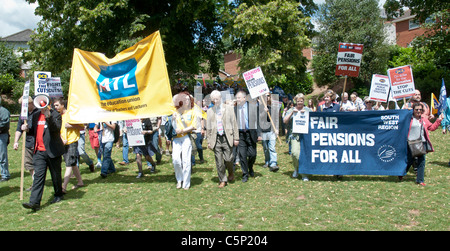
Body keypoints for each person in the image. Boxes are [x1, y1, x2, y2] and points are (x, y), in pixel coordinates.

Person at [22, 96, 65, 211]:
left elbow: (56, 129)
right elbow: (32, 131)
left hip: (52, 150)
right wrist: (26, 128)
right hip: (39, 151)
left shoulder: (55, 114)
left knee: (55, 175)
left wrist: (48, 118)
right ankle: (34, 202)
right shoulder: (35, 115)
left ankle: (58, 194)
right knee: (38, 177)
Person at [401, 103, 443, 186]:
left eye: (420, 109)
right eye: (416, 109)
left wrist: (439, 120)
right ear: (413, 110)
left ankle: (420, 180)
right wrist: (406, 111)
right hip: (410, 143)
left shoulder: (424, 119)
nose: (418, 111)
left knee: (421, 162)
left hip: (421, 143)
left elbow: (432, 127)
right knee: (409, 160)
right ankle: (401, 173)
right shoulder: (409, 118)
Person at [206, 90, 239, 188]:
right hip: (216, 139)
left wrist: (236, 138)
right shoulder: (210, 111)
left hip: (227, 137)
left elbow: (234, 124)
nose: (215, 101)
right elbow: (208, 127)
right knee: (219, 161)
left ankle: (231, 172)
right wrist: (209, 141)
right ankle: (222, 180)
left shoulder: (228, 109)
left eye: (217, 99)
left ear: (221, 98)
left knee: (228, 159)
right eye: (213, 99)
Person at [53, 98, 84, 193]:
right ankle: (80, 181)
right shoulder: (57, 116)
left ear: (63, 105)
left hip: (72, 141)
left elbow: (82, 126)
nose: (55, 107)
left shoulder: (71, 114)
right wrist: (62, 139)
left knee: (69, 163)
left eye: (57, 105)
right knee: (72, 163)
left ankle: (64, 187)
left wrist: (71, 126)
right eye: (54, 106)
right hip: (63, 142)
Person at [172, 92, 199, 190]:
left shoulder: (192, 112)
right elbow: (171, 126)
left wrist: (183, 130)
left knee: (186, 160)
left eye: (188, 99)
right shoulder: (176, 111)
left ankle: (186, 183)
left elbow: (193, 126)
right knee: (176, 160)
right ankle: (179, 179)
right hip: (176, 139)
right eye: (185, 99)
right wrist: (172, 119)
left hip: (186, 137)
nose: (186, 101)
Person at [283, 93, 311, 181]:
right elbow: (284, 121)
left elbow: (315, 120)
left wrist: (306, 114)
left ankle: (304, 174)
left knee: (304, 155)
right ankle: (296, 168)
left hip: (306, 136)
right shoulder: (291, 109)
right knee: (295, 153)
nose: (300, 103)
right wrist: (292, 113)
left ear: (304, 101)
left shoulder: (308, 110)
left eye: (301, 101)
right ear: (295, 101)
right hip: (294, 136)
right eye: (298, 101)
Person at [235, 90, 261, 183]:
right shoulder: (235, 109)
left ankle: (250, 167)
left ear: (244, 98)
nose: (237, 99)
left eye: (238, 98)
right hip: (240, 134)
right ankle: (245, 174)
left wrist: (259, 134)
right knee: (242, 155)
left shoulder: (252, 107)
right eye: (236, 98)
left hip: (251, 134)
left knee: (253, 154)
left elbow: (258, 121)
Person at [13, 96, 39, 189]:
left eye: (25, 105)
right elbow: (18, 129)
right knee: (29, 164)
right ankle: (35, 184)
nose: (23, 107)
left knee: (39, 164)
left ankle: (37, 183)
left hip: (38, 143)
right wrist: (16, 141)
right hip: (28, 143)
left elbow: (38, 129)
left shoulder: (38, 113)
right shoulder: (23, 115)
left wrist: (28, 128)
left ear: (31, 103)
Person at [259, 93, 279, 172]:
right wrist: (264, 112)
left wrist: (277, 129)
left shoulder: (273, 107)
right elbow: (259, 118)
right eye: (265, 96)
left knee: (272, 147)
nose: (267, 97)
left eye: (268, 96)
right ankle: (267, 161)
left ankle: (273, 163)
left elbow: (276, 119)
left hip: (272, 130)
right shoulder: (260, 107)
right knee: (266, 148)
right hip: (264, 131)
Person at [0, 96, 10, 182]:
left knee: (2, 156)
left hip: (2, 135)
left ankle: (5, 174)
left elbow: (5, 124)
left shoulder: (3, 111)